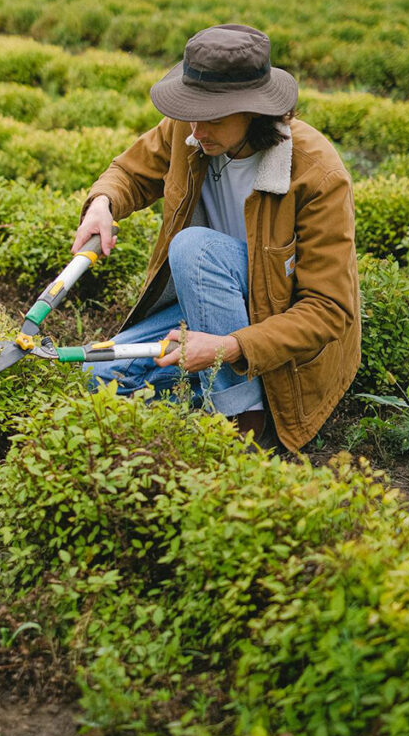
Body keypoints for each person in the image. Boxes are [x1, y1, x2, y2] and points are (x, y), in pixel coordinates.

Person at [71, 24, 361, 451]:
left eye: (213, 118)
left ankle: (243, 421)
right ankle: (204, 392)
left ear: (257, 112)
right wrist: (103, 204)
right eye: (191, 112)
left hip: (275, 322)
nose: (195, 130)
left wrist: (227, 346)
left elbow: (327, 310)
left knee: (194, 247)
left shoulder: (317, 173)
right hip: (208, 301)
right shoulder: (189, 132)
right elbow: (130, 173)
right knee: (99, 375)